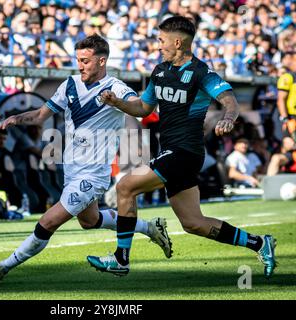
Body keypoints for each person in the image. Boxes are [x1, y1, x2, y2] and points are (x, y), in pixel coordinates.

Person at [87, 16, 277, 279]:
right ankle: (259, 242)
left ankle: (121, 259)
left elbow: (229, 101)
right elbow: (143, 108)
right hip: (173, 152)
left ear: (177, 42)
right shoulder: (159, 71)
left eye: (161, 40)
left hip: (185, 152)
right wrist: (117, 102)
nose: (158, 44)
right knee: (193, 223)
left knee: (125, 186)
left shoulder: (201, 73)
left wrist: (228, 118)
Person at [0, 34, 172, 282]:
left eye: (85, 60)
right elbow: (41, 115)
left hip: (93, 175)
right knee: (90, 220)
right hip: (71, 171)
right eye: (78, 60)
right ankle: (150, 227)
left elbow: (140, 107)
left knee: (48, 221)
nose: (80, 65)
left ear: (102, 61)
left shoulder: (115, 88)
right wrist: (15, 119)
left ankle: (0, 269)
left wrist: (116, 101)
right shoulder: (70, 84)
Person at [277, 52, 296, 142]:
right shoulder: (287, 77)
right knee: (290, 143)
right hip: (292, 116)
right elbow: (281, 99)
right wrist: (285, 119)